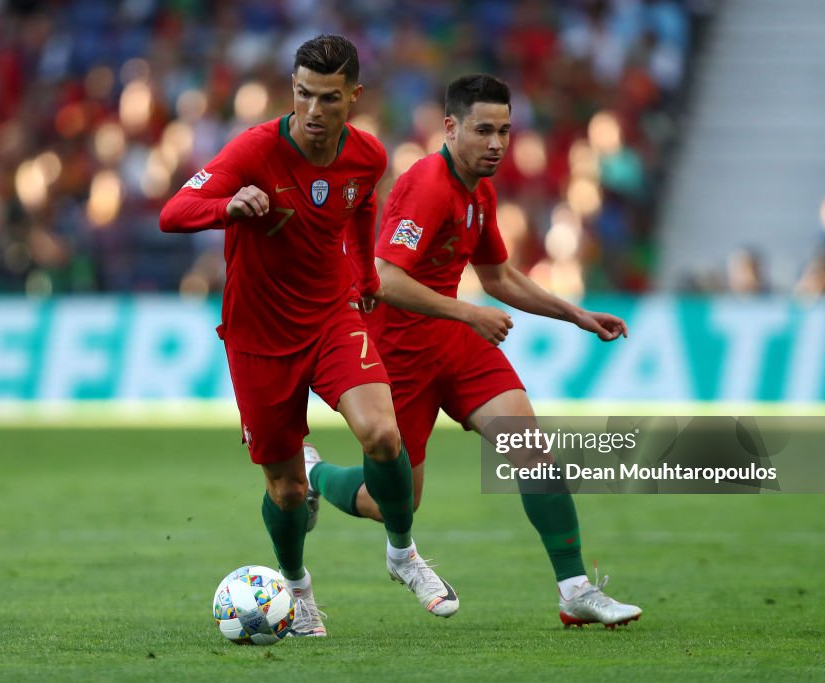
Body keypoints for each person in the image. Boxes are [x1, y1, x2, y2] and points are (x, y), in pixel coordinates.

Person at [305, 73, 642, 628]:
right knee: (392, 503)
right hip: (397, 355)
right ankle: (315, 475)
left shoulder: (478, 190)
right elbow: (385, 279)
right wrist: (467, 310)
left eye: (505, 131)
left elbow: (499, 276)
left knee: (531, 448)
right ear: (451, 127)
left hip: (457, 345)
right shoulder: (427, 185)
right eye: (484, 130)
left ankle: (575, 589)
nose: (496, 144)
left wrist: (574, 314)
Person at [159, 35, 458, 637]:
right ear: (290, 91)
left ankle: (403, 556)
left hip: (331, 318)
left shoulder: (367, 155)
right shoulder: (254, 151)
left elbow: (362, 209)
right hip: (258, 338)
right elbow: (172, 213)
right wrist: (227, 207)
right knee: (288, 489)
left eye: (327, 98)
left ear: (354, 96)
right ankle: (296, 589)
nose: (313, 111)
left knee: (381, 433)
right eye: (302, 95)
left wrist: (369, 274)